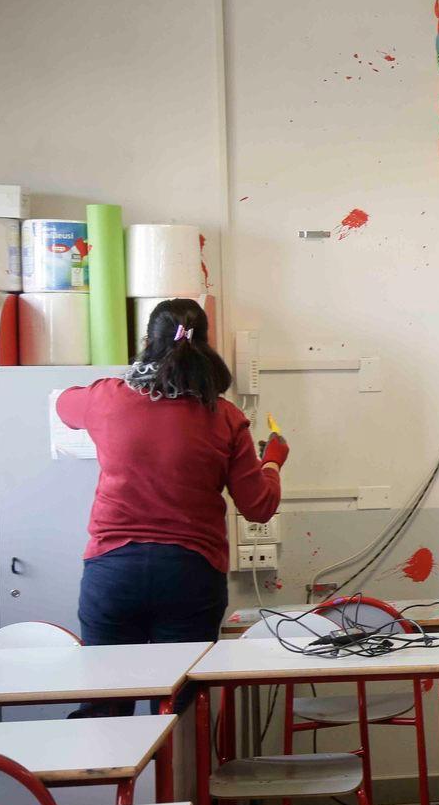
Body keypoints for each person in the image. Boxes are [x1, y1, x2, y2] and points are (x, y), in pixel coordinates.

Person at [56, 299, 287, 716]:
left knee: (107, 704)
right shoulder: (226, 418)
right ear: (206, 347)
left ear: (148, 342)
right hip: (190, 575)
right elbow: (259, 506)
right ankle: (177, 781)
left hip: (114, 572)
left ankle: (116, 780)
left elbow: (63, 405)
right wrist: (272, 461)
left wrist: (118, 386)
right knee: (178, 707)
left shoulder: (107, 398)